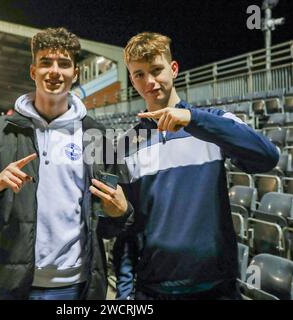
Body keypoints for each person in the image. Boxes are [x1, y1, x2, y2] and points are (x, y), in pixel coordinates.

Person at [0, 27, 132, 300]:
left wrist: (120, 212)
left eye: (64, 64)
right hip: (14, 287)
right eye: (46, 62)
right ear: (33, 72)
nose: (54, 71)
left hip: (79, 287)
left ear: (75, 73)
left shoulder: (98, 136)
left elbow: (109, 224)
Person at [113, 32, 279, 300]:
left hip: (216, 288)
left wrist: (192, 119)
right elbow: (126, 229)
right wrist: (123, 296)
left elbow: (267, 156)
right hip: (153, 290)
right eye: (139, 74)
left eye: (156, 70)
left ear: (174, 68)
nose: (150, 82)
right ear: (132, 79)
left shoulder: (212, 123)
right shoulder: (125, 145)